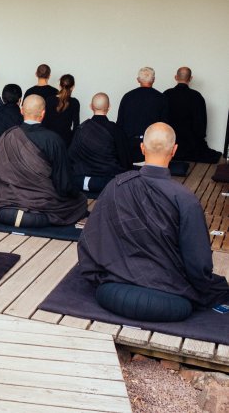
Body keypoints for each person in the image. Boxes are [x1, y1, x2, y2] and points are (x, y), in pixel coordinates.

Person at [78, 123, 229, 322]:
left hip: (113, 289)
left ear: (142, 148)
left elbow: (90, 239)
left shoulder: (116, 186)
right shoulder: (184, 198)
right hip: (169, 297)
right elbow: (198, 263)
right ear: (174, 150)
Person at [0, 95, 87, 227]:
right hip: (41, 201)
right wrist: (74, 194)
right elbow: (63, 183)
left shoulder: (8, 136)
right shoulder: (53, 140)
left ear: (21, 111)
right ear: (43, 113)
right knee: (81, 201)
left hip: (7, 201)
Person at [69, 93, 132, 193]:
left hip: (84, 181)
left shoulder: (81, 129)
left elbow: (72, 157)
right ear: (109, 107)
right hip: (110, 182)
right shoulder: (116, 130)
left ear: (91, 107)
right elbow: (126, 161)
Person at [164, 67, 221, 163]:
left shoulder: (166, 94)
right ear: (190, 78)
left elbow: (161, 119)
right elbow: (201, 123)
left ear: (175, 77)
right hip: (191, 143)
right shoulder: (197, 96)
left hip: (170, 143)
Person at [117, 67, 169, 162]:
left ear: (138, 80)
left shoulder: (127, 97)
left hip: (129, 147)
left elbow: (120, 123)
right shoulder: (161, 98)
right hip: (152, 147)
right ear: (153, 80)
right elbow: (164, 126)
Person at [43, 74, 80, 146]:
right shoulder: (75, 102)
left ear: (59, 86)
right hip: (66, 141)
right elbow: (76, 126)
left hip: (50, 140)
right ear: (73, 87)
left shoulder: (49, 100)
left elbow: (44, 122)